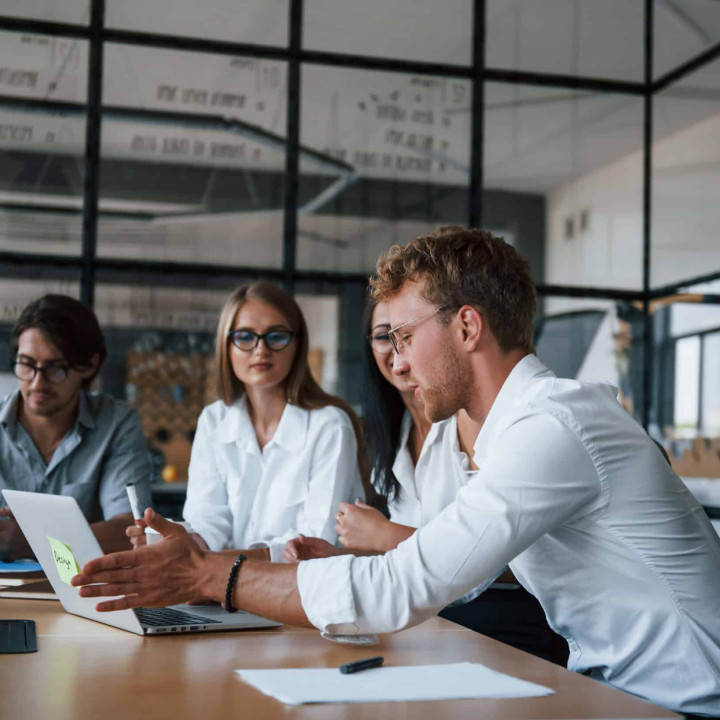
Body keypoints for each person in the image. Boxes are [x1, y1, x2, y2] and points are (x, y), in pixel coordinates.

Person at [74, 229, 720, 717]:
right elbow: (444, 564)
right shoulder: (509, 435)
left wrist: (210, 573)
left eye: (405, 337)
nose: (395, 362)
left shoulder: (553, 427)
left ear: (467, 326)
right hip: (609, 694)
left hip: (677, 703)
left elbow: (401, 586)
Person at [284, 300, 568, 664]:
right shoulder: (389, 434)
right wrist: (343, 557)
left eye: (407, 335)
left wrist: (383, 535)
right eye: (385, 337)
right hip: (435, 619)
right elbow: (414, 562)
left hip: (499, 617)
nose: (400, 355)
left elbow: (501, 557)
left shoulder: (482, 422)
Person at [128, 282, 366, 562]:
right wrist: (174, 540)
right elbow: (207, 520)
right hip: (223, 591)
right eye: (245, 337)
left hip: (302, 592)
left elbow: (316, 543)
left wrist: (205, 562)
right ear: (226, 346)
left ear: (297, 345)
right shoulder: (214, 420)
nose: (260, 350)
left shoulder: (329, 426)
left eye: (276, 337)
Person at [0, 294, 152, 560]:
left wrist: (35, 541)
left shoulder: (116, 424)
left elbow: (131, 531)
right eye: (26, 365)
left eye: (56, 369)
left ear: (89, 365)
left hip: (86, 591)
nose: (37, 384)